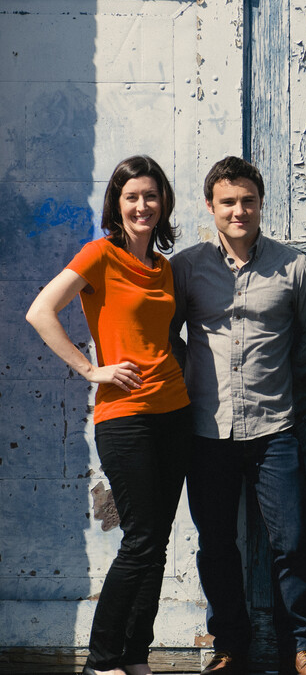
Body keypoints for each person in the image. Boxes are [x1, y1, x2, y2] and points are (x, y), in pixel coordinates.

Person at [25, 156, 191, 675]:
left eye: (150, 195)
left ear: (162, 202)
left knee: (157, 542)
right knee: (141, 539)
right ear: (117, 206)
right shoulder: (100, 254)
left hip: (175, 410)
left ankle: (136, 657)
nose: (142, 205)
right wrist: (89, 370)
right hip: (125, 416)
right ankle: (102, 660)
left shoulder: (165, 267)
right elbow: (40, 311)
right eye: (131, 197)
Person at [170, 157, 306, 675]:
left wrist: (285, 384)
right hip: (205, 431)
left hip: (274, 429)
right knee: (217, 544)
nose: (239, 211)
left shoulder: (295, 267)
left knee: (291, 541)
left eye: (248, 201)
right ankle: (230, 649)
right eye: (228, 202)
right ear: (211, 207)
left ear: (261, 203)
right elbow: (167, 334)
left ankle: (300, 648)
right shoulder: (188, 267)